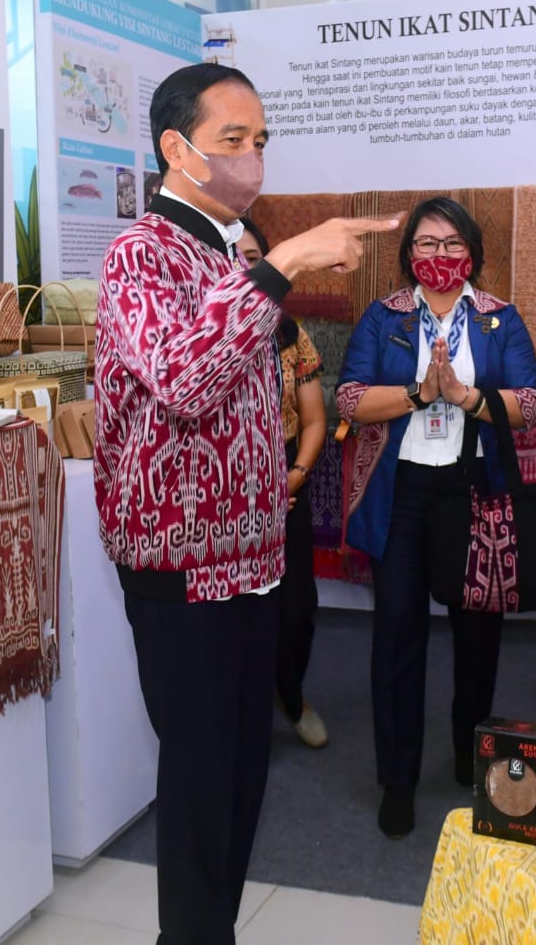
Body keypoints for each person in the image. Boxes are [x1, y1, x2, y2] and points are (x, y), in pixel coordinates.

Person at [94, 62, 398, 945]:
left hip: (255, 560)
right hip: (180, 570)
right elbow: (188, 380)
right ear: (176, 150)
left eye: (261, 140)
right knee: (197, 795)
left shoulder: (224, 252)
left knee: (237, 786)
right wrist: (289, 260)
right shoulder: (141, 252)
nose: (252, 158)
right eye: (233, 141)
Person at [335, 196, 536, 839]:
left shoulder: (498, 319)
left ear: (473, 253)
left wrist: (467, 396)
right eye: (425, 244)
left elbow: (530, 403)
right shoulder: (384, 317)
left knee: (477, 640)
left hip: (472, 491)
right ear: (408, 256)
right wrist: (420, 393)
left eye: (451, 243)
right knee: (397, 638)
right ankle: (397, 781)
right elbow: (348, 396)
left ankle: (467, 754)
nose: (439, 256)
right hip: (403, 495)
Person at [235, 219, 329, 749]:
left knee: (296, 609)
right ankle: (245, 709)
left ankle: (290, 696)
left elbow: (315, 420)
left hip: (287, 477)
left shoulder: (291, 336)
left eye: (255, 257)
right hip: (225, 491)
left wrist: (293, 476)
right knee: (239, 614)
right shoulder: (201, 338)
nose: (245, 266)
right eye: (234, 256)